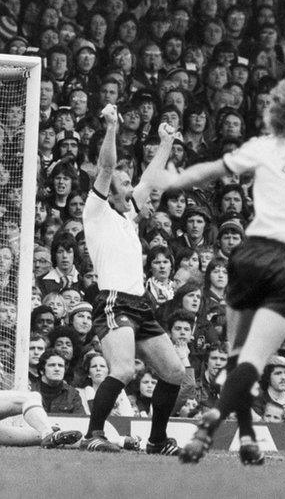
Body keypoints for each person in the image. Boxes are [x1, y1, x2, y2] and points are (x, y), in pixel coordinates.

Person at [166, 73, 285, 465]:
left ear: (276, 111)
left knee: (237, 353)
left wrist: (172, 180)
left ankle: (247, 439)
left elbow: (210, 171)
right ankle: (212, 420)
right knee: (253, 359)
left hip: (251, 256)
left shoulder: (263, 147)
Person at [78, 104, 185, 455]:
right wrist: (110, 126)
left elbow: (152, 177)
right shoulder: (97, 213)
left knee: (173, 373)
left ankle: (156, 441)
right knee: (122, 369)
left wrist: (165, 143)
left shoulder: (128, 219)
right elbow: (107, 166)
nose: (133, 188)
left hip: (140, 305)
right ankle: (93, 434)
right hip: (114, 300)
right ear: (110, 191)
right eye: (126, 184)